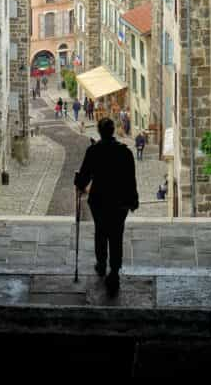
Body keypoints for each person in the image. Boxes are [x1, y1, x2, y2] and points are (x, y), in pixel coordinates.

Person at [74, 118, 139, 296]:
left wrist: (78, 181)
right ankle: (115, 271)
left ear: (99, 131)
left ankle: (101, 264)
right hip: (120, 202)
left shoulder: (93, 151)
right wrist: (133, 200)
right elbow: (131, 179)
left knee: (101, 233)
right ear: (113, 131)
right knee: (116, 235)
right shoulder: (125, 153)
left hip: (100, 201)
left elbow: (84, 177)